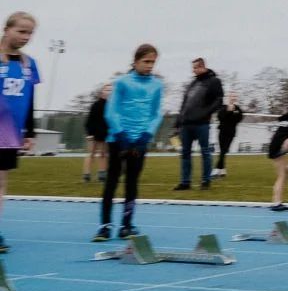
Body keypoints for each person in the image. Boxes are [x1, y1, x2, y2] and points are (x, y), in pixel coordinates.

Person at [93, 44, 163, 242]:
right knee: (112, 181)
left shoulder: (157, 85)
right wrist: (121, 135)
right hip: (118, 140)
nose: (150, 66)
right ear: (135, 61)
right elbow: (111, 111)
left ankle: (127, 225)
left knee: (132, 182)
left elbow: (156, 113)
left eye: (153, 62)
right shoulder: (122, 82)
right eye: (146, 61)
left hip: (139, 141)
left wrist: (146, 136)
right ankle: (105, 226)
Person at [0, 12, 40, 254]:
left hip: (9, 132)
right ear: (6, 29)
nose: (26, 37)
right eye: (21, 31)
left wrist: (30, 131)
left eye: (30, 33)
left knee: (1, 182)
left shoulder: (29, 64)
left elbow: (30, 98)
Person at [173, 57, 224, 191]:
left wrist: (206, 113)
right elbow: (184, 104)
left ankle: (205, 181)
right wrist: (178, 121)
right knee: (185, 153)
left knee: (205, 152)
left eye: (195, 68)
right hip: (186, 124)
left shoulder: (214, 81)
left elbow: (219, 101)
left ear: (203, 67)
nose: (193, 71)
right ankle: (185, 182)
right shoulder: (192, 84)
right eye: (193, 68)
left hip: (202, 123)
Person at [82, 83, 112, 184]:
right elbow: (90, 120)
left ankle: (102, 176)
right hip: (94, 134)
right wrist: (90, 134)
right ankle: (86, 175)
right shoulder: (95, 105)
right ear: (102, 92)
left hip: (106, 134)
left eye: (110, 90)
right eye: (107, 90)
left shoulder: (112, 106)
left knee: (104, 154)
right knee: (91, 154)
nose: (109, 92)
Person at [213, 92, 244, 178]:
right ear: (229, 97)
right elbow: (221, 118)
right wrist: (228, 111)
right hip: (222, 131)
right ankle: (223, 170)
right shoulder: (223, 107)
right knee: (222, 151)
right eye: (232, 96)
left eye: (235, 96)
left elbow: (238, 119)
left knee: (224, 150)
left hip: (231, 133)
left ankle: (216, 170)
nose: (233, 97)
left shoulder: (238, 109)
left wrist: (232, 112)